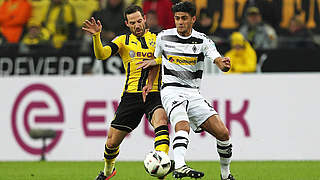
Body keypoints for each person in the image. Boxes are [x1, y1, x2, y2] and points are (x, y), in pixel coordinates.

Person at [138, 1, 235, 180]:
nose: (180, 22)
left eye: (184, 18)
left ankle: (225, 175)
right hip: (171, 90)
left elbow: (216, 58)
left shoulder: (203, 40)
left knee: (223, 134)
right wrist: (150, 83)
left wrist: (223, 64)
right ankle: (180, 165)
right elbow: (155, 62)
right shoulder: (163, 37)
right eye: (177, 18)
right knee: (182, 124)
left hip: (193, 93)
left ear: (193, 19)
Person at [82, 5, 172, 180]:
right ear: (127, 24)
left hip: (154, 92)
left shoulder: (158, 38)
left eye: (139, 21)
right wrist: (96, 37)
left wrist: (156, 61)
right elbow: (102, 55)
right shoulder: (122, 40)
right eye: (133, 23)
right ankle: (108, 171)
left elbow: (171, 59)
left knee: (161, 121)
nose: (137, 25)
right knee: (111, 142)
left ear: (144, 19)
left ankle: (162, 164)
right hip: (131, 96)